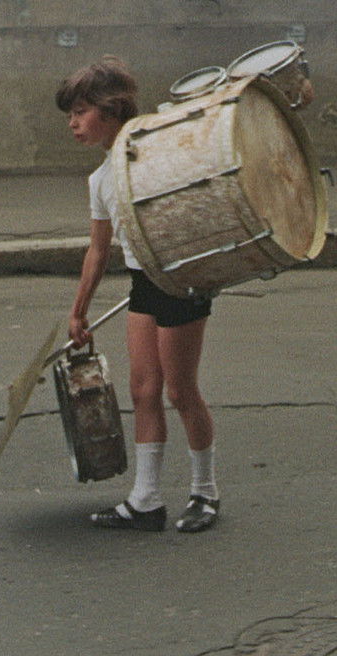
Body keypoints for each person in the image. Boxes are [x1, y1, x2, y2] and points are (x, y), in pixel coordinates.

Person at [55, 56, 220, 533]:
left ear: (110, 109)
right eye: (70, 114)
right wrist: (78, 311)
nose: (73, 124)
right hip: (144, 282)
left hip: (178, 279)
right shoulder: (100, 178)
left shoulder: (155, 152)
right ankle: (146, 500)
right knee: (143, 390)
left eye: (80, 112)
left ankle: (205, 492)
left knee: (180, 390)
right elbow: (99, 248)